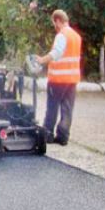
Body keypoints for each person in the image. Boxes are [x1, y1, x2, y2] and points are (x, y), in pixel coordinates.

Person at [36, 9, 82, 146]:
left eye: (54, 23)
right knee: (67, 109)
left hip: (58, 79)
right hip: (72, 79)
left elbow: (56, 53)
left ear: (57, 21)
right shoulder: (76, 36)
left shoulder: (62, 35)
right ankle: (63, 137)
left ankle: (48, 135)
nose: (54, 26)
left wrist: (41, 60)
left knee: (52, 107)